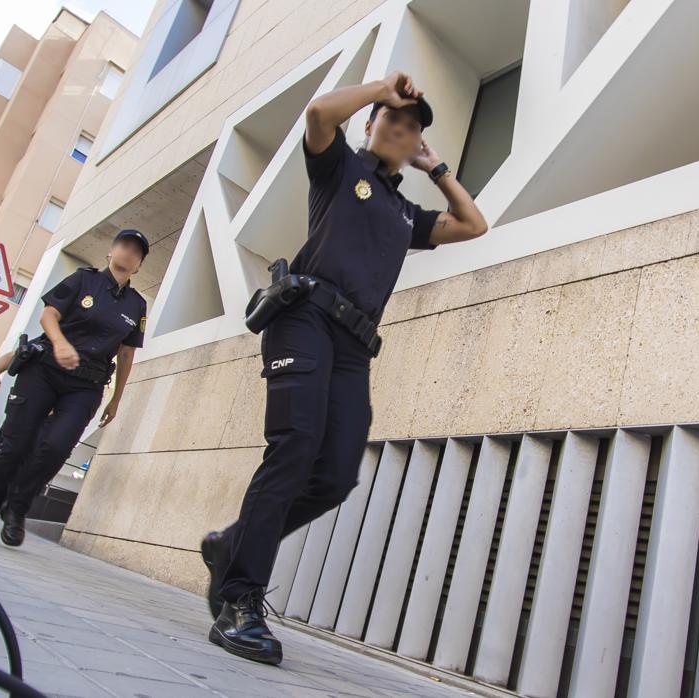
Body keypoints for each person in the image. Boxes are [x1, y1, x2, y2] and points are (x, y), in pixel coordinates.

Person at [201, 70, 489, 665]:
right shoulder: (340, 170)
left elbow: (473, 224)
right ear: (372, 123)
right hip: (304, 318)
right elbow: (317, 115)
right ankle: (238, 597)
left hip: (354, 347)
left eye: (413, 130)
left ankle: (232, 544)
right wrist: (383, 88)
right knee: (295, 446)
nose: (403, 132)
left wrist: (435, 167)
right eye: (394, 121)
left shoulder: (406, 212)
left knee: (334, 476)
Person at [0, 230, 149, 546]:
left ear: (140, 265)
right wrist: (60, 343)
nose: (129, 253)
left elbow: (127, 353)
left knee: (57, 446)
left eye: (136, 252)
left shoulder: (137, 305)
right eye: (124, 246)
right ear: (110, 252)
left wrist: (117, 399)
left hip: (87, 384)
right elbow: (49, 314)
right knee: (15, 445)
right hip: (45, 369)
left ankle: (17, 508)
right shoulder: (82, 280)